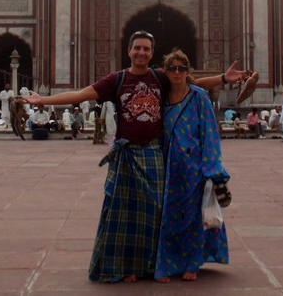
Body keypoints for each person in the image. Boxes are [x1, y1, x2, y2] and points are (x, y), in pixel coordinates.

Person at [22, 30, 248, 283]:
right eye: (137, 48)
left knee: (157, 212)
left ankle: (153, 264)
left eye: (146, 49)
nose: (141, 52)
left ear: (151, 53)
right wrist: (42, 99)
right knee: (123, 213)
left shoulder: (158, 77)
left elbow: (187, 82)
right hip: (127, 154)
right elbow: (81, 94)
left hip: (153, 152)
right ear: (128, 50)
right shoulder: (117, 79)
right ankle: (127, 266)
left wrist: (223, 79)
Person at [154, 50, 229, 282]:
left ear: (188, 72)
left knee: (192, 218)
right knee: (168, 217)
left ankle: (192, 263)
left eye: (181, 68)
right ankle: (166, 264)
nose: (177, 72)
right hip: (167, 167)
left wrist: (213, 170)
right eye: (172, 68)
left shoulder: (199, 97)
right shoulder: (160, 97)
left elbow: (210, 134)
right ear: (165, 72)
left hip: (193, 168)